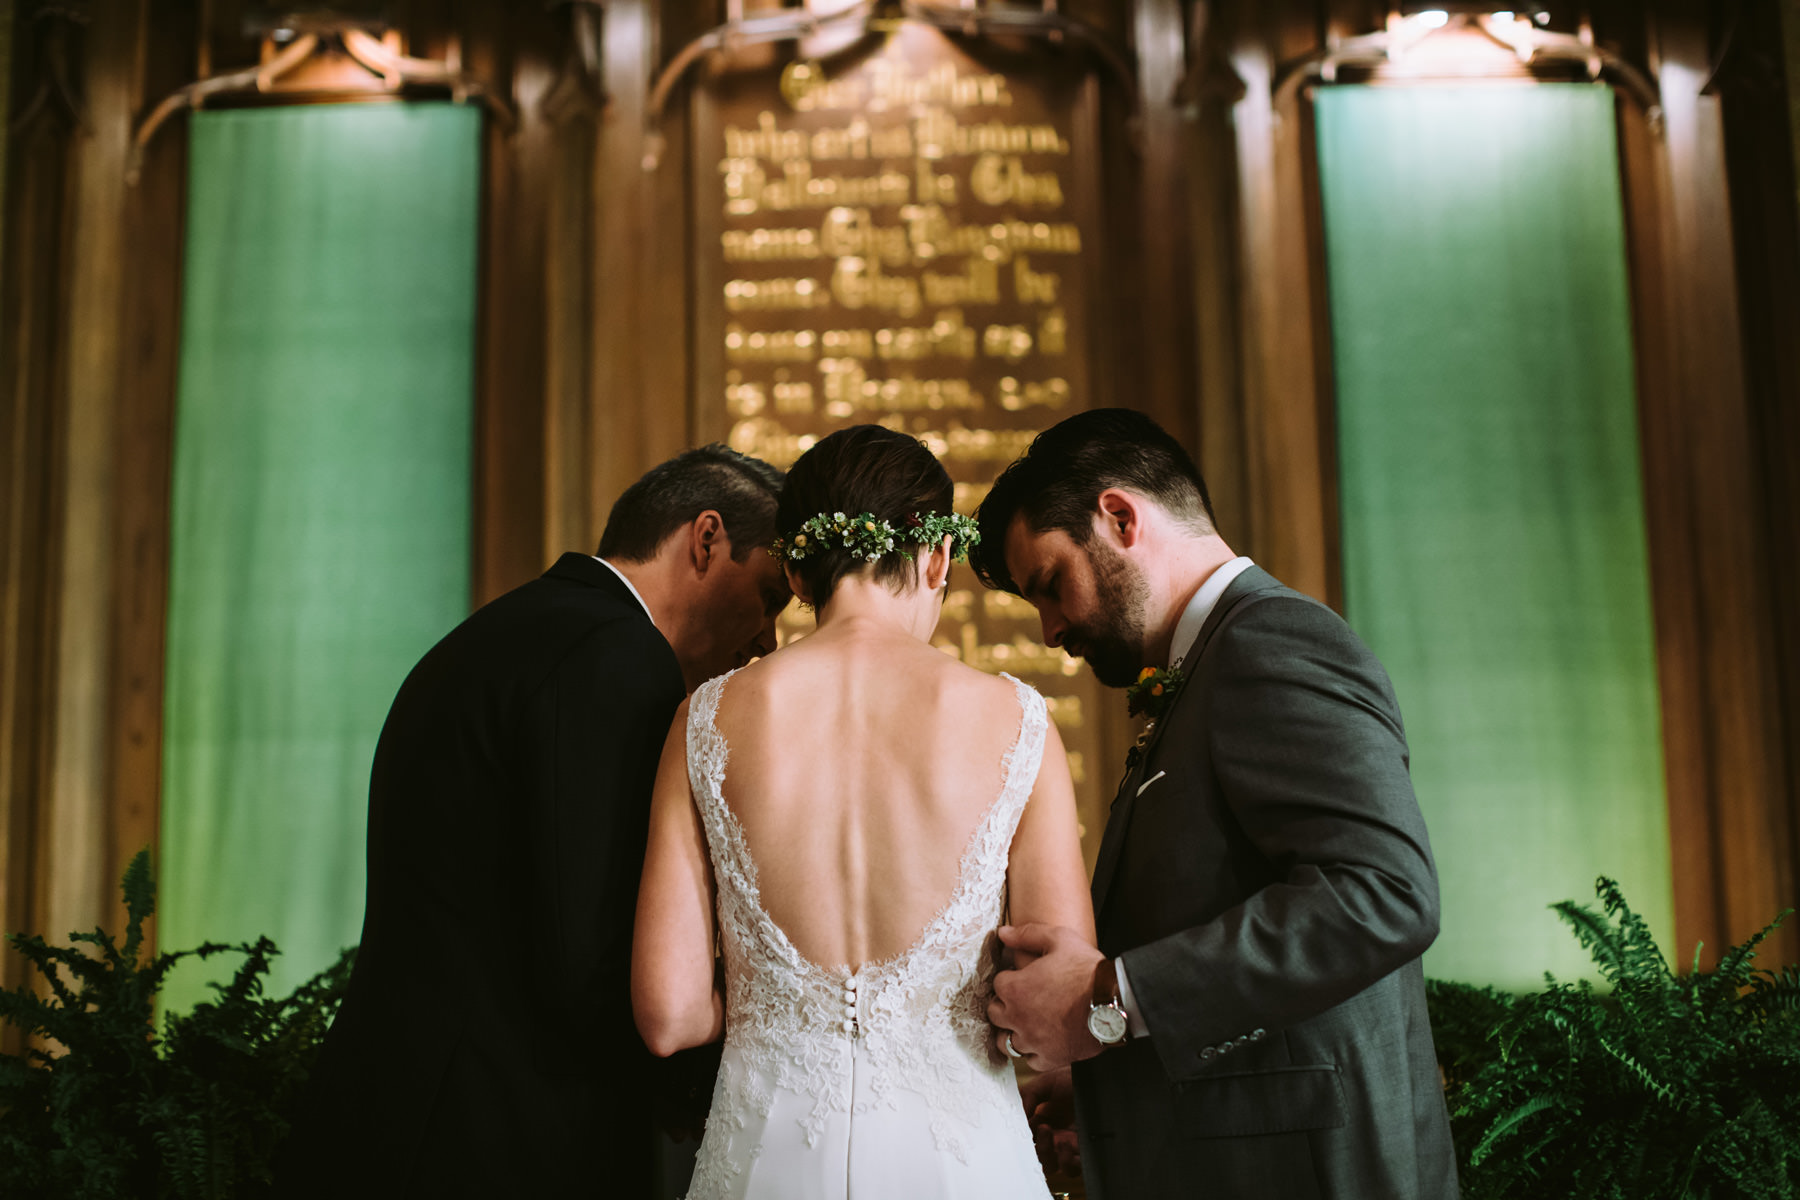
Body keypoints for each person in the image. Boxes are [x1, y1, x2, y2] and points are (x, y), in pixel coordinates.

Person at [276, 445, 792, 1200]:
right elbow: (586, 944)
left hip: (409, 1114)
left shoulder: (518, 631)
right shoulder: (614, 655)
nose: (769, 637)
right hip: (488, 1138)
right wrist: (694, 1071)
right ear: (706, 539)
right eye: (771, 594)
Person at [971, 409, 1459, 1200]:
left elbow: (1384, 894)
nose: (1051, 628)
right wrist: (1107, 1088)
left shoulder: (1271, 642)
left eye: (1052, 585)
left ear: (1120, 517)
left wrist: (1109, 1000)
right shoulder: (1206, 669)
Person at [632, 425, 1093, 1200]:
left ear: (799, 573)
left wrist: (766, 1007)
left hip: (765, 1159)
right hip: (961, 1164)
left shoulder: (705, 719)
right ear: (938, 559)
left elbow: (669, 1016)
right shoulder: (1018, 722)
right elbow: (1054, 1009)